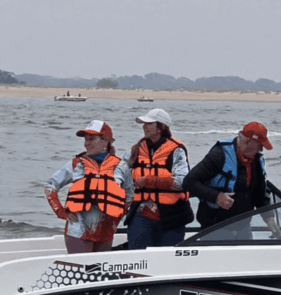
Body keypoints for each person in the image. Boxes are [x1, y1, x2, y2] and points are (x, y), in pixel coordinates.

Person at [45, 120, 133, 254]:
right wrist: (60, 212)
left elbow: (129, 195)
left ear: (106, 141)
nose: (87, 143)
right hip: (77, 232)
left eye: (92, 139)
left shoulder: (121, 167)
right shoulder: (76, 164)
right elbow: (50, 186)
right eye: (86, 139)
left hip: (106, 232)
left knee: (99, 272)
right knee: (80, 272)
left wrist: (118, 217)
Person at [183, 122, 280, 238]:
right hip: (214, 227)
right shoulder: (219, 155)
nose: (261, 149)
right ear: (248, 142)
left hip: (243, 227)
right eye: (259, 146)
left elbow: (259, 193)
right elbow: (189, 182)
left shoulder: (257, 161)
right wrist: (217, 197)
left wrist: (269, 218)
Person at [124, 108, 194, 250]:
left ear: (161, 127)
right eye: (143, 123)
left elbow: (181, 182)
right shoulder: (136, 149)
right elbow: (119, 171)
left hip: (173, 216)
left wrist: (149, 181)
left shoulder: (177, 150)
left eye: (149, 123)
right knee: (138, 257)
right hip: (141, 213)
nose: (144, 126)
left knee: (167, 260)